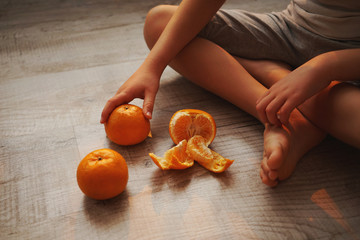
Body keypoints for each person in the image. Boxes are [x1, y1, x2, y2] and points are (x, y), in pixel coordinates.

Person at [100, 0, 360, 187]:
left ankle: (275, 80)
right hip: (288, 31)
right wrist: (151, 67)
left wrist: (325, 67)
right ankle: (286, 113)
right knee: (160, 23)